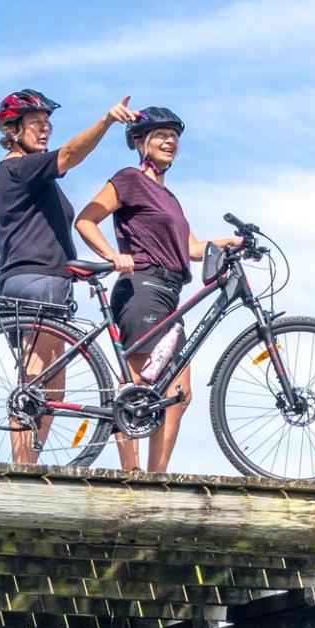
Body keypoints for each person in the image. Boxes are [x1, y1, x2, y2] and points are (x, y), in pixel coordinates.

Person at [73, 107, 233, 474]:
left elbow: (192, 248)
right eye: (161, 135)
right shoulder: (129, 179)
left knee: (177, 394)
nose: (169, 141)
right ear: (140, 142)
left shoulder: (170, 198)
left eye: (174, 136)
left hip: (170, 293)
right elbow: (86, 219)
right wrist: (113, 256)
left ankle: (156, 476)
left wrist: (232, 243)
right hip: (141, 286)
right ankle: (131, 476)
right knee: (137, 385)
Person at [0, 88, 135, 463]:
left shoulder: (34, 178)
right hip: (35, 283)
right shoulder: (18, 167)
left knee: (51, 386)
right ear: (13, 129)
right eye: (36, 123)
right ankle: (21, 469)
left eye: (48, 123)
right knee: (35, 383)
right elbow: (69, 155)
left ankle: (28, 465)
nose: (45, 129)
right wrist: (106, 121)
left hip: (47, 281)